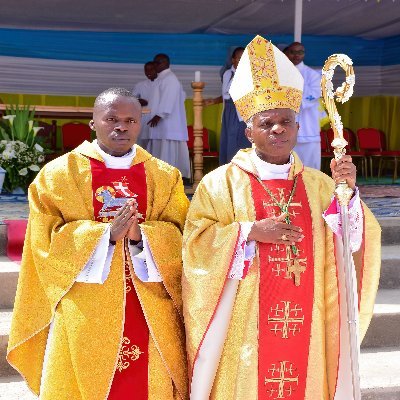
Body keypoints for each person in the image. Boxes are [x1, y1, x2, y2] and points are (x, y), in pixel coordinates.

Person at [182, 36, 381, 400]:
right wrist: (248, 232)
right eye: (267, 122)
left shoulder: (321, 185)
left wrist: (349, 195)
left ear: (297, 127)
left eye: (286, 121)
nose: (278, 129)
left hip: (309, 315)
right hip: (246, 321)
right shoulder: (220, 183)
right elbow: (195, 245)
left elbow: (352, 240)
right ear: (248, 130)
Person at [7, 88, 189, 399]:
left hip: (149, 304)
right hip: (86, 303)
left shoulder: (163, 175)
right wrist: (105, 235)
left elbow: (181, 234)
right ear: (94, 123)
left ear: (139, 124)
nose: (121, 127)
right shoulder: (58, 175)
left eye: (130, 120)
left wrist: (139, 235)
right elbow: (44, 243)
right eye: (112, 119)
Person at [147, 53, 191, 179]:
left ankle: (168, 177)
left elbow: (169, 98)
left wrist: (159, 115)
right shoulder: (161, 78)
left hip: (168, 123)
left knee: (167, 150)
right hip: (161, 124)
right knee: (160, 149)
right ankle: (159, 176)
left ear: (165, 63)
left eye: (157, 63)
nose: (154, 65)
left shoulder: (170, 78)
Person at [285, 42, 322, 170]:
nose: (296, 55)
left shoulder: (313, 75)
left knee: (311, 169)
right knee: (289, 169)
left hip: (308, 129)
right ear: (287, 54)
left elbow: (315, 94)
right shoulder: (280, 74)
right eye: (293, 52)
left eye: (299, 52)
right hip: (286, 129)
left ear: (304, 54)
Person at [133, 61, 159, 149]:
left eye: (151, 69)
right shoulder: (140, 85)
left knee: (156, 148)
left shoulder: (163, 84)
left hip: (157, 120)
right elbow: (131, 100)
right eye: (146, 70)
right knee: (141, 147)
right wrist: (138, 101)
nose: (148, 72)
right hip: (143, 120)